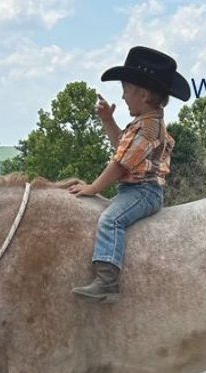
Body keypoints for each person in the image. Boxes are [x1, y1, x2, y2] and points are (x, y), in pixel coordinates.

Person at [68, 46, 190, 301]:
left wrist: (94, 188)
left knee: (110, 220)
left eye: (125, 90)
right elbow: (122, 150)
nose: (122, 97)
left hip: (143, 192)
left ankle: (107, 281)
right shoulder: (144, 124)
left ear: (143, 94)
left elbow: (120, 163)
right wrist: (108, 121)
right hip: (133, 189)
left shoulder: (147, 127)